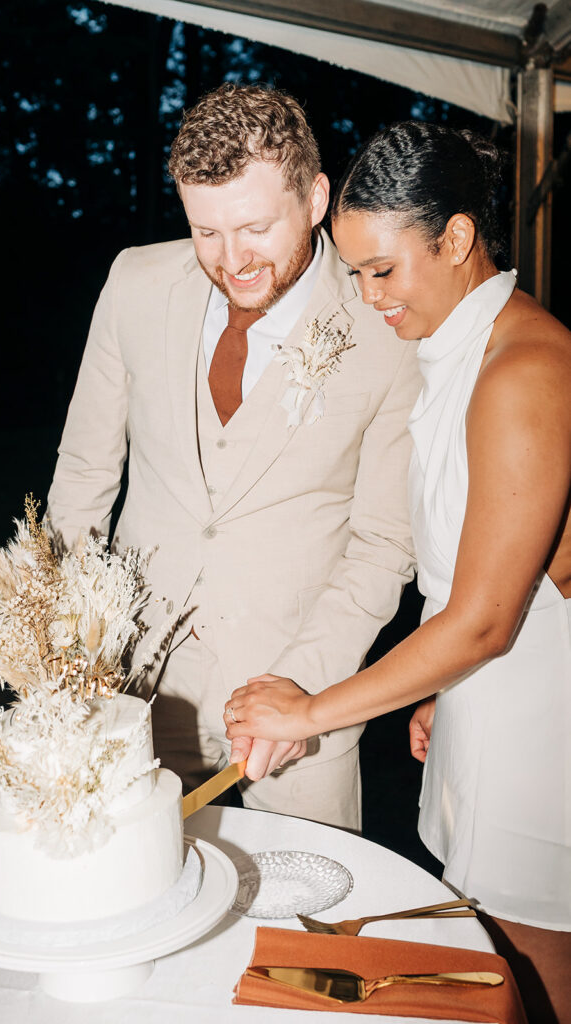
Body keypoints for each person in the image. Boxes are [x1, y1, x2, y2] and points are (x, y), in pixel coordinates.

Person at [224, 121, 571, 1021]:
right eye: (356, 273)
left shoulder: (523, 368)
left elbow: (490, 621)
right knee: (490, 977)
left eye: (385, 270)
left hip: (545, 749)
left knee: (533, 989)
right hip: (491, 717)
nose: (370, 297)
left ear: (456, 239)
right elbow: (469, 577)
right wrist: (438, 689)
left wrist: (307, 709)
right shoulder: (457, 351)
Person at [47, 84, 421, 830]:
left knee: (303, 934)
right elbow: (85, 478)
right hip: (139, 693)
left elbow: (384, 546)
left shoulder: (389, 327)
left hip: (300, 708)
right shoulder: (135, 283)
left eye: (254, 228)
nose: (231, 260)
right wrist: (68, 654)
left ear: (316, 200)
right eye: (206, 232)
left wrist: (303, 692)